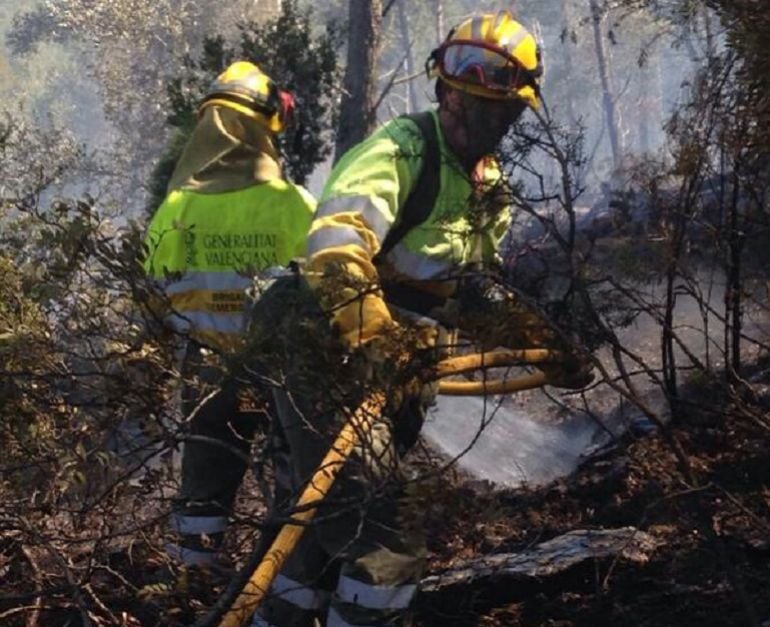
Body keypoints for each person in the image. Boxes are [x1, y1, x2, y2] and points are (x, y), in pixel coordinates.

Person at [251, 11, 593, 626]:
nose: (471, 110)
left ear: (515, 112)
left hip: (394, 370)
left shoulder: (491, 188)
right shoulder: (400, 150)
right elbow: (335, 247)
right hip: (328, 347)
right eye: (462, 92)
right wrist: (378, 337)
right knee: (383, 537)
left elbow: (469, 292)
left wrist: (543, 342)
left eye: (491, 102)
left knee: (317, 530)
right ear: (443, 88)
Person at [143, 60, 315, 570]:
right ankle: (282, 582)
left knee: (203, 484)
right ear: (266, 128)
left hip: (207, 371)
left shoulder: (177, 208)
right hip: (282, 375)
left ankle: (190, 579)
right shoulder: (293, 204)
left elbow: (153, 293)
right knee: (295, 484)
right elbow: (325, 290)